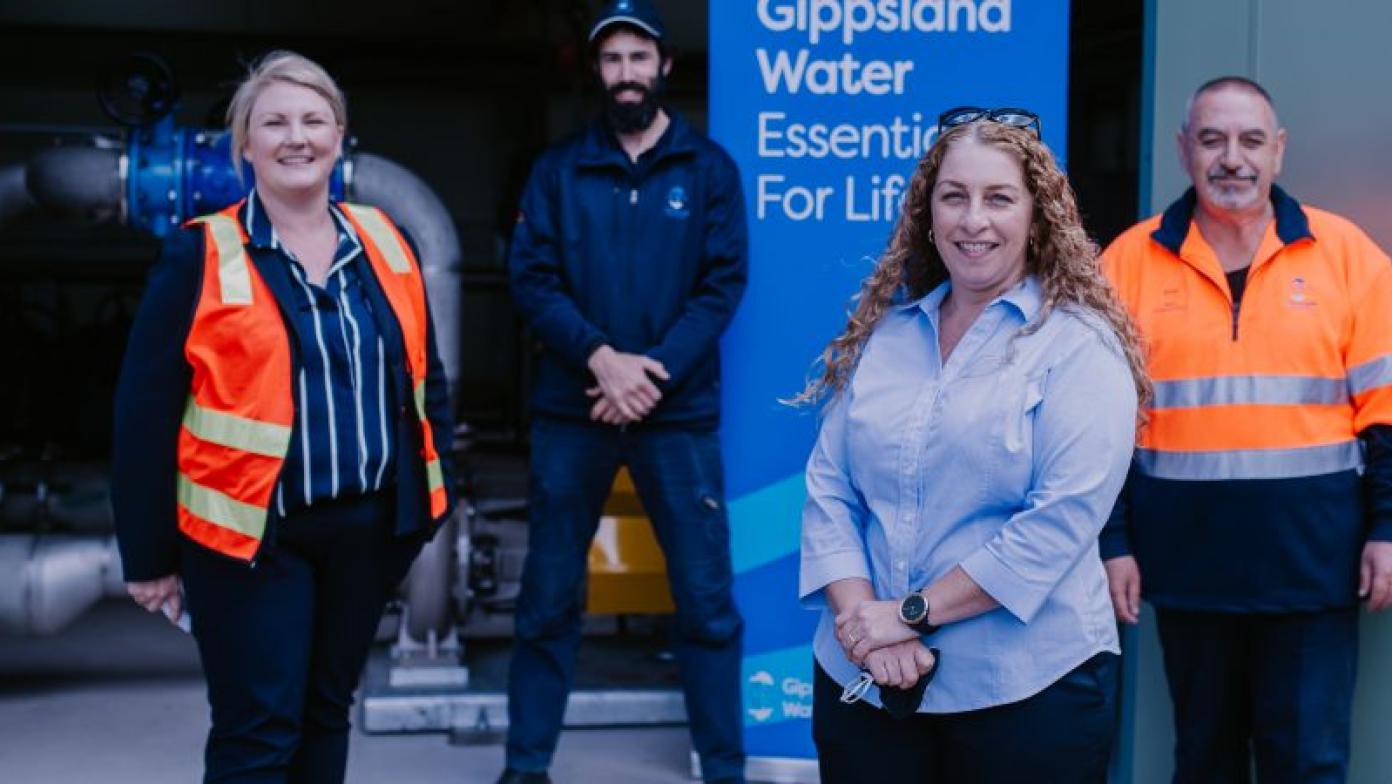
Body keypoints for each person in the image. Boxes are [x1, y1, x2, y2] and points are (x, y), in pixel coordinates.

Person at [111, 50, 456, 783]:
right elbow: (143, 413)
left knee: (328, 712)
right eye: (274, 122)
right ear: (246, 145)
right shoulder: (199, 253)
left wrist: (432, 500)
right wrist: (147, 558)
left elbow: (428, 381)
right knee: (259, 731)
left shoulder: (387, 240)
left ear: (340, 135)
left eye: (313, 119)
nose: (295, 137)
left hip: (365, 534)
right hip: (251, 541)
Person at [798, 109, 1149, 782]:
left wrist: (908, 615)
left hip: (1025, 692)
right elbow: (830, 489)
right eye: (954, 196)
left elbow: (1060, 522)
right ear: (927, 213)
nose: (973, 220)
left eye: (998, 198)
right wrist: (863, 625)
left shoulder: (1079, 347)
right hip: (868, 682)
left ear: (1035, 215)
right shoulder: (889, 338)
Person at [1099, 76, 1392, 782]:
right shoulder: (1127, 264)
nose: (1233, 158)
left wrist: (1387, 527)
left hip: (1314, 573)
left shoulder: (1347, 255)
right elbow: (1098, 427)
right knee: (1204, 763)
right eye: (1213, 140)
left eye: (1251, 141)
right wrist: (1113, 543)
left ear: (1279, 151)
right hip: (1187, 573)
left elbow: (1386, 412)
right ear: (1183, 150)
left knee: (1310, 766)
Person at [498, 2, 748, 783]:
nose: (627, 74)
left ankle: (724, 766)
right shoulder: (559, 171)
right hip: (575, 413)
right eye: (613, 60)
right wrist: (601, 359)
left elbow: (721, 286)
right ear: (597, 71)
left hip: (676, 415)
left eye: (640, 58)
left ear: (665, 67)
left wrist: (647, 375)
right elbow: (530, 279)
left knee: (705, 600)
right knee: (547, 597)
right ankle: (526, 765)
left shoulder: (708, 170)